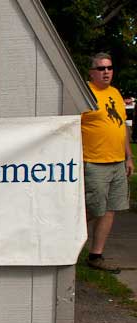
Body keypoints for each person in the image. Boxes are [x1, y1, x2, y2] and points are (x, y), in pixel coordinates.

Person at [81, 52, 134, 273]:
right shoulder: (84, 93)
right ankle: (63, 241)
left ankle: (96, 255)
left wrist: (128, 157)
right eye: (101, 68)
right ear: (92, 72)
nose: (106, 72)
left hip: (116, 162)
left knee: (111, 209)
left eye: (109, 68)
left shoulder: (114, 93)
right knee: (93, 208)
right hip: (94, 161)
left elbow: (121, 127)